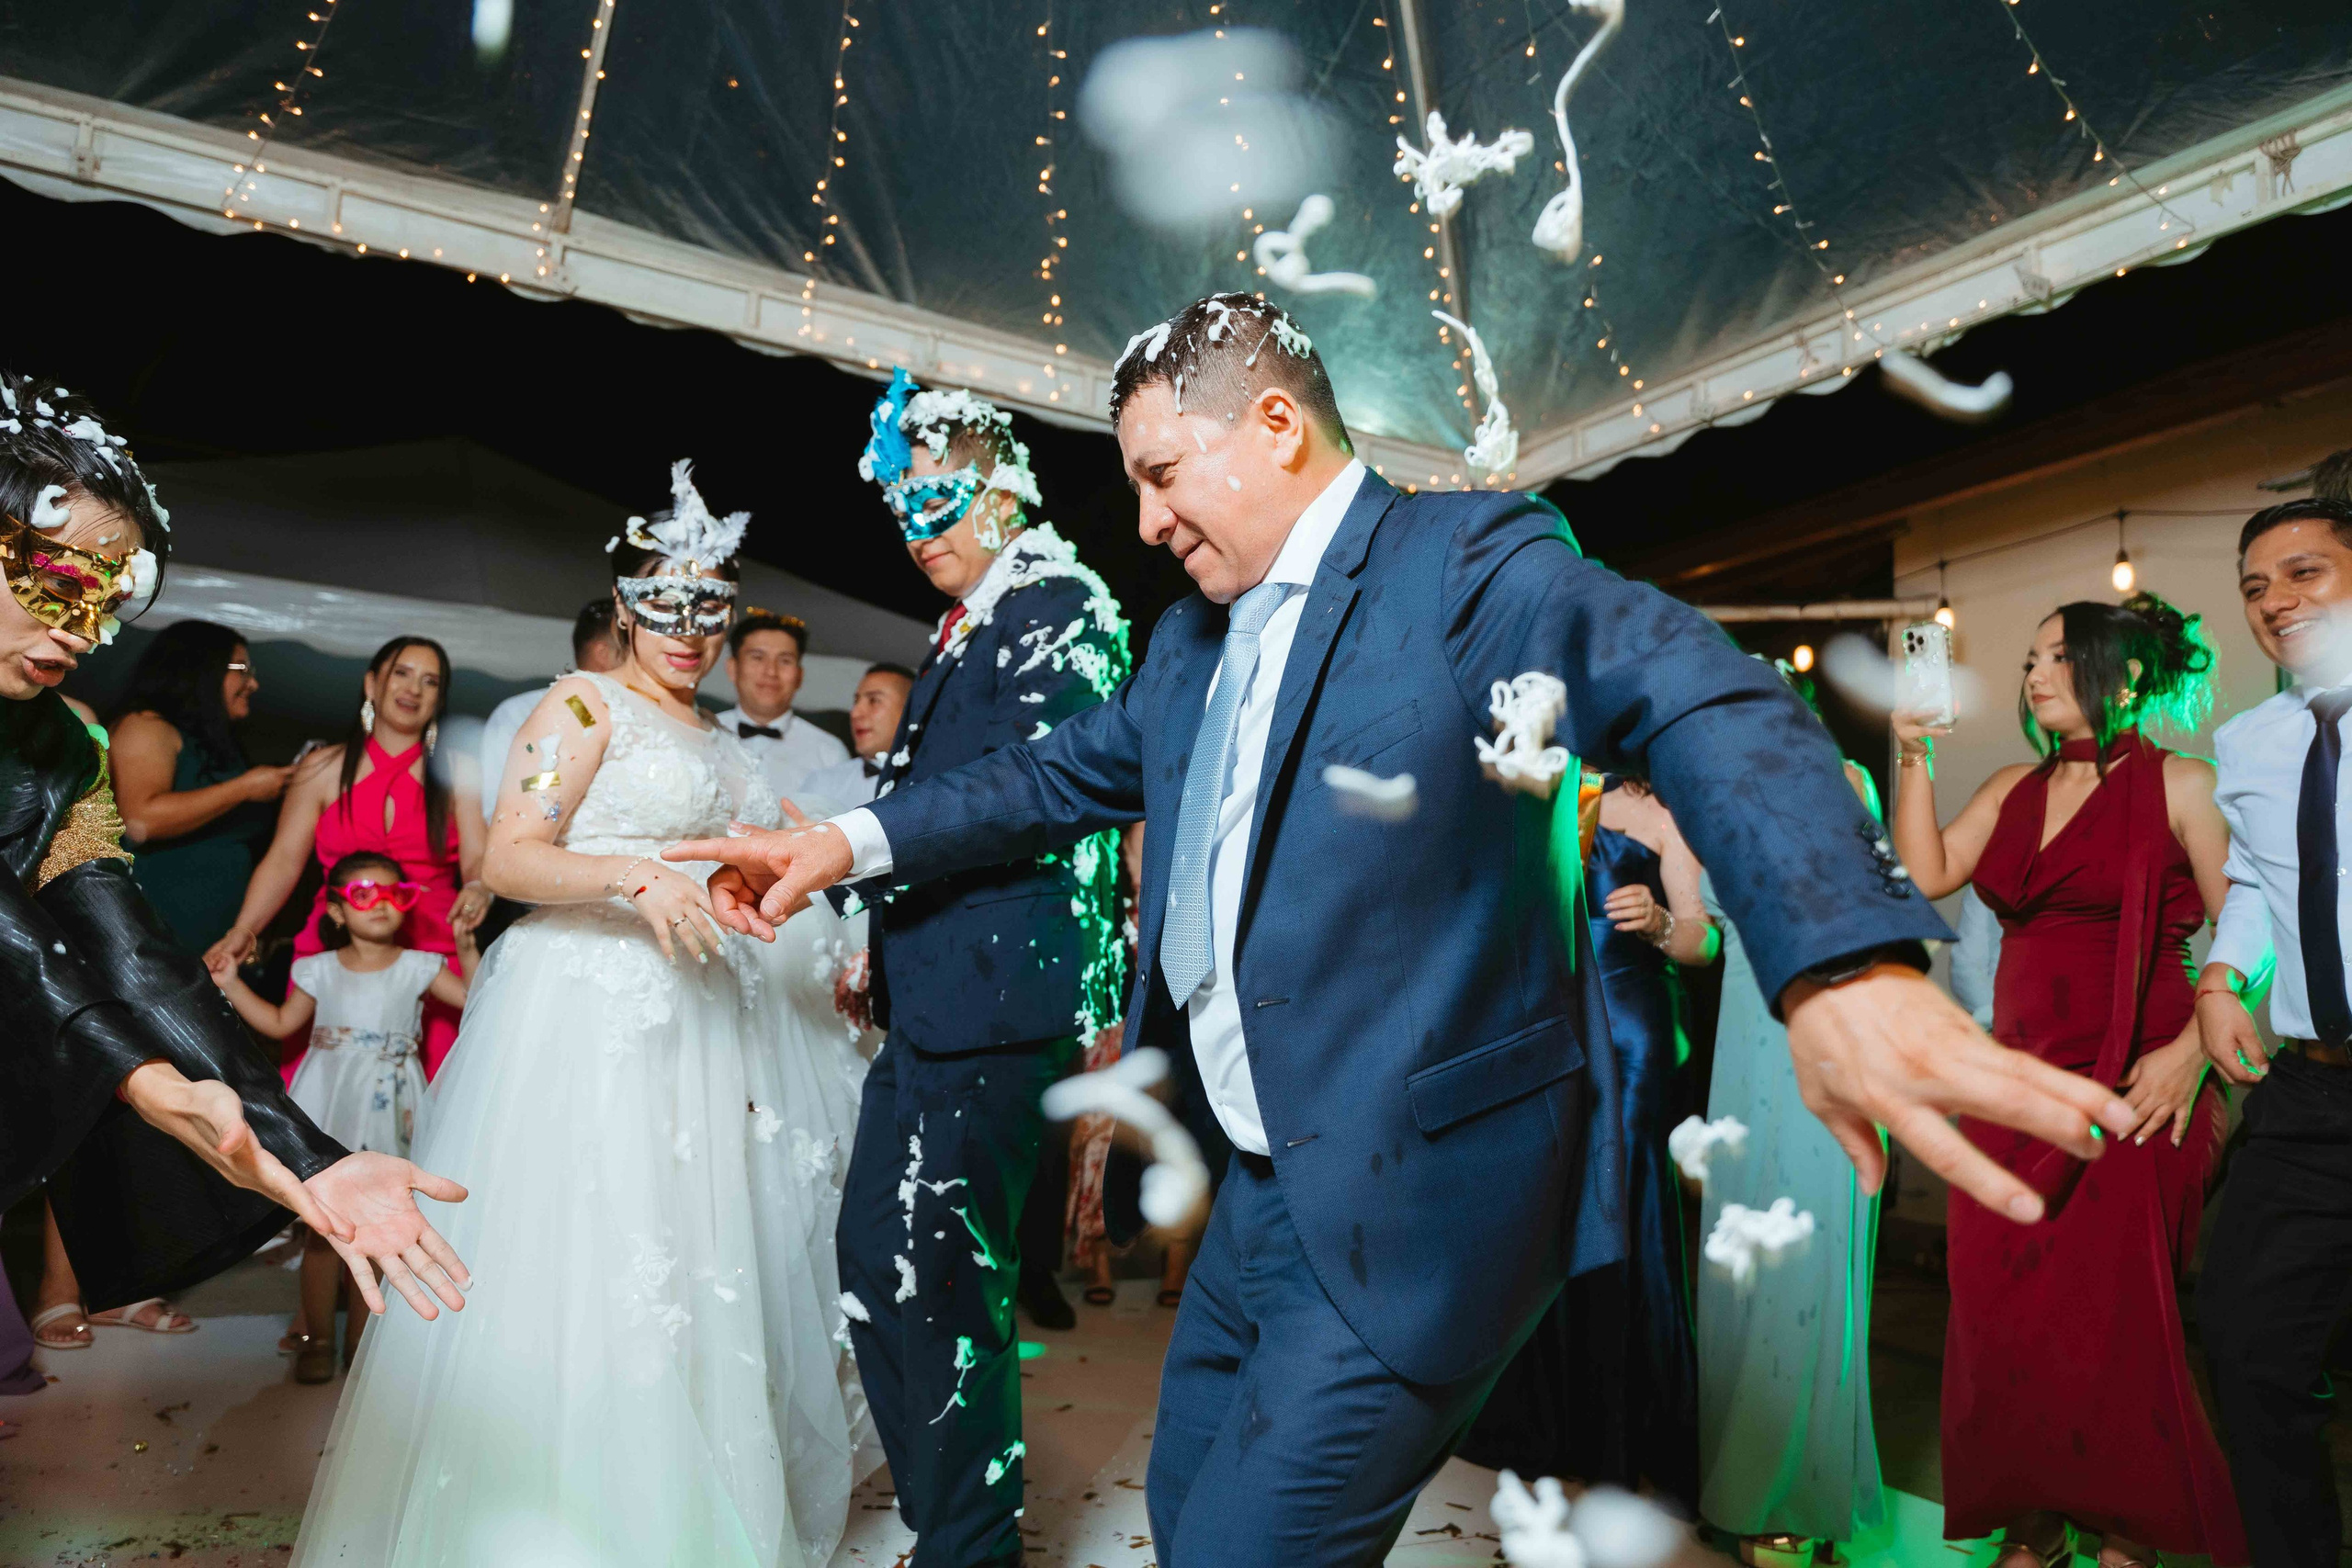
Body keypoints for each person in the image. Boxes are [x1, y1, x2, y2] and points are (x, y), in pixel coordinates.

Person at [677, 295, 2137, 1568]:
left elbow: (1690, 683)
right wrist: (838, 841)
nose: (1145, 520)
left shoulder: (1462, 563)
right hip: (1260, 1190)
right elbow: (1052, 773)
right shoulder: (1192, 631)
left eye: (1163, 474)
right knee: (1187, 1512)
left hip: (1418, 1196)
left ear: (1272, 424)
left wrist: (1838, 955)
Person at [290, 460, 872, 1568]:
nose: (691, 632)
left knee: (694, 1259)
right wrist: (633, 876)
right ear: (622, 608)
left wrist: (746, 892)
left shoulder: (711, 738)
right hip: (582, 1019)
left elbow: (723, 867)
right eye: (666, 606)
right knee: (584, 1254)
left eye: (712, 609)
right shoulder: (580, 705)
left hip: (698, 1022)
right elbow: (510, 855)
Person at [0, 369, 472, 1375]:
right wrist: (141, 1079)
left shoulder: (59, 749)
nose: (84, 634)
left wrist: (314, 1160)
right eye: (65, 585)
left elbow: (124, 950)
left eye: (110, 604)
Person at [770, 369, 1136, 1568]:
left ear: (1001, 486)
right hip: (934, 996)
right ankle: (952, 1521)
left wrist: (852, 845)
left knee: (935, 1278)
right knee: (877, 1255)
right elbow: (936, 798)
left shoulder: (1061, 603)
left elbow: (1025, 796)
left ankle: (967, 1546)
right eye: (901, 510)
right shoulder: (966, 625)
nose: (917, 532)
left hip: (995, 1003)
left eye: (937, 501)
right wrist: (872, 914)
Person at [1891, 592, 2245, 1568]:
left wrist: (2190, 1056)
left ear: (2124, 676)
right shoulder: (2010, 785)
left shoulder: (2183, 784)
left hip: (2142, 1081)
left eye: (2059, 657)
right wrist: (1911, 749)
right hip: (2014, 1089)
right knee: (2001, 1315)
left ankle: (2129, 1531)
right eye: (2031, 661)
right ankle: (2035, 1522)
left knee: (2120, 1320)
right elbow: (1924, 873)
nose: (2035, 674)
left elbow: (2250, 940)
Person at [1459, 774, 1713, 1510]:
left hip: (1630, 1028)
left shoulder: (1664, 806)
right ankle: (1545, 1422)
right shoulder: (1544, 782)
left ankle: (1620, 1436)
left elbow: (1705, 939)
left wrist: (1663, 923)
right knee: (1542, 1212)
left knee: (1622, 1208)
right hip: (1543, 1023)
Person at [2195, 497, 2352, 1568]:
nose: (2275, 602)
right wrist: (2218, 980)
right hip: (2308, 1093)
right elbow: (2256, 874)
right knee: (2247, 1346)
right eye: (2256, 587)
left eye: (2305, 573)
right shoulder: (2247, 740)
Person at [1696, 731, 1889, 1565]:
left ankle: (1799, 1496)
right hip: (1743, 1050)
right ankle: (1742, 1488)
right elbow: (1700, 927)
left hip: (1825, 1037)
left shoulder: (1844, 779)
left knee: (1806, 1268)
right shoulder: (1709, 787)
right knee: (1744, 1274)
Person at [208, 849, 479, 1383]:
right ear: (336, 911)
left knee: (382, 1222)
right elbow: (283, 1024)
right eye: (362, 894)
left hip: (391, 1103)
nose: (380, 904)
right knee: (322, 1228)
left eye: (395, 894)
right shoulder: (318, 970)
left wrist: (467, 947)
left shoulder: (421, 968)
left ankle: (360, 1343)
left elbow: (478, 1003)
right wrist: (231, 984)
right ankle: (317, 1337)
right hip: (329, 1101)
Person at [209, 636, 490, 1078]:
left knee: (432, 1104)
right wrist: (245, 930)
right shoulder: (322, 768)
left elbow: (477, 861)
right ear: (371, 683)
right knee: (324, 1096)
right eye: (402, 673)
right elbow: (283, 860)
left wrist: (478, 889)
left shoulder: (460, 772)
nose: (414, 689)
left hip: (432, 949)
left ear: (439, 698)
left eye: (430, 681)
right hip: (335, 944)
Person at [106, 619, 288, 953]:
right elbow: (141, 819)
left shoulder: (214, 744)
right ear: (201, 668)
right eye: (242, 669)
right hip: (159, 931)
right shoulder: (145, 725)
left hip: (217, 938)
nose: (254, 684)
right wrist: (245, 788)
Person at [478, 597, 625, 825]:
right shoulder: (518, 713)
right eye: (631, 653)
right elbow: (499, 805)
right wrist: (569, 776)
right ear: (603, 653)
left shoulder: (645, 723)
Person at [720, 608, 848, 802]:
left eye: (785, 661)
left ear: (799, 676)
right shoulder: (702, 732)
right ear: (732, 668)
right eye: (757, 657)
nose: (771, 672)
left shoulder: (830, 753)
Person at [801, 660, 915, 807]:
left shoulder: (937, 784)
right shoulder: (823, 783)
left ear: (911, 711)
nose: (855, 713)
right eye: (856, 701)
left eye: (874, 700)